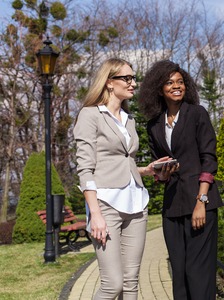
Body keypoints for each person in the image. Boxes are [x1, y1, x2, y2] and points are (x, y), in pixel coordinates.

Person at [73, 58, 176, 299]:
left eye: (133, 78)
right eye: (127, 78)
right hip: (106, 206)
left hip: (136, 205)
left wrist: (146, 170)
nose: (133, 83)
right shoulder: (90, 116)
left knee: (131, 283)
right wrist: (94, 214)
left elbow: (121, 161)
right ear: (109, 82)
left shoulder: (129, 119)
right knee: (113, 284)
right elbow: (86, 168)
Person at [138, 60, 223, 300]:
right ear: (159, 88)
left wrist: (201, 201)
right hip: (172, 207)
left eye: (180, 82)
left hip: (201, 204)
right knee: (180, 273)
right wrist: (161, 174)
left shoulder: (197, 114)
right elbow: (158, 167)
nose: (177, 86)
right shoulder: (154, 126)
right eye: (170, 83)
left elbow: (209, 158)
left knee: (199, 273)